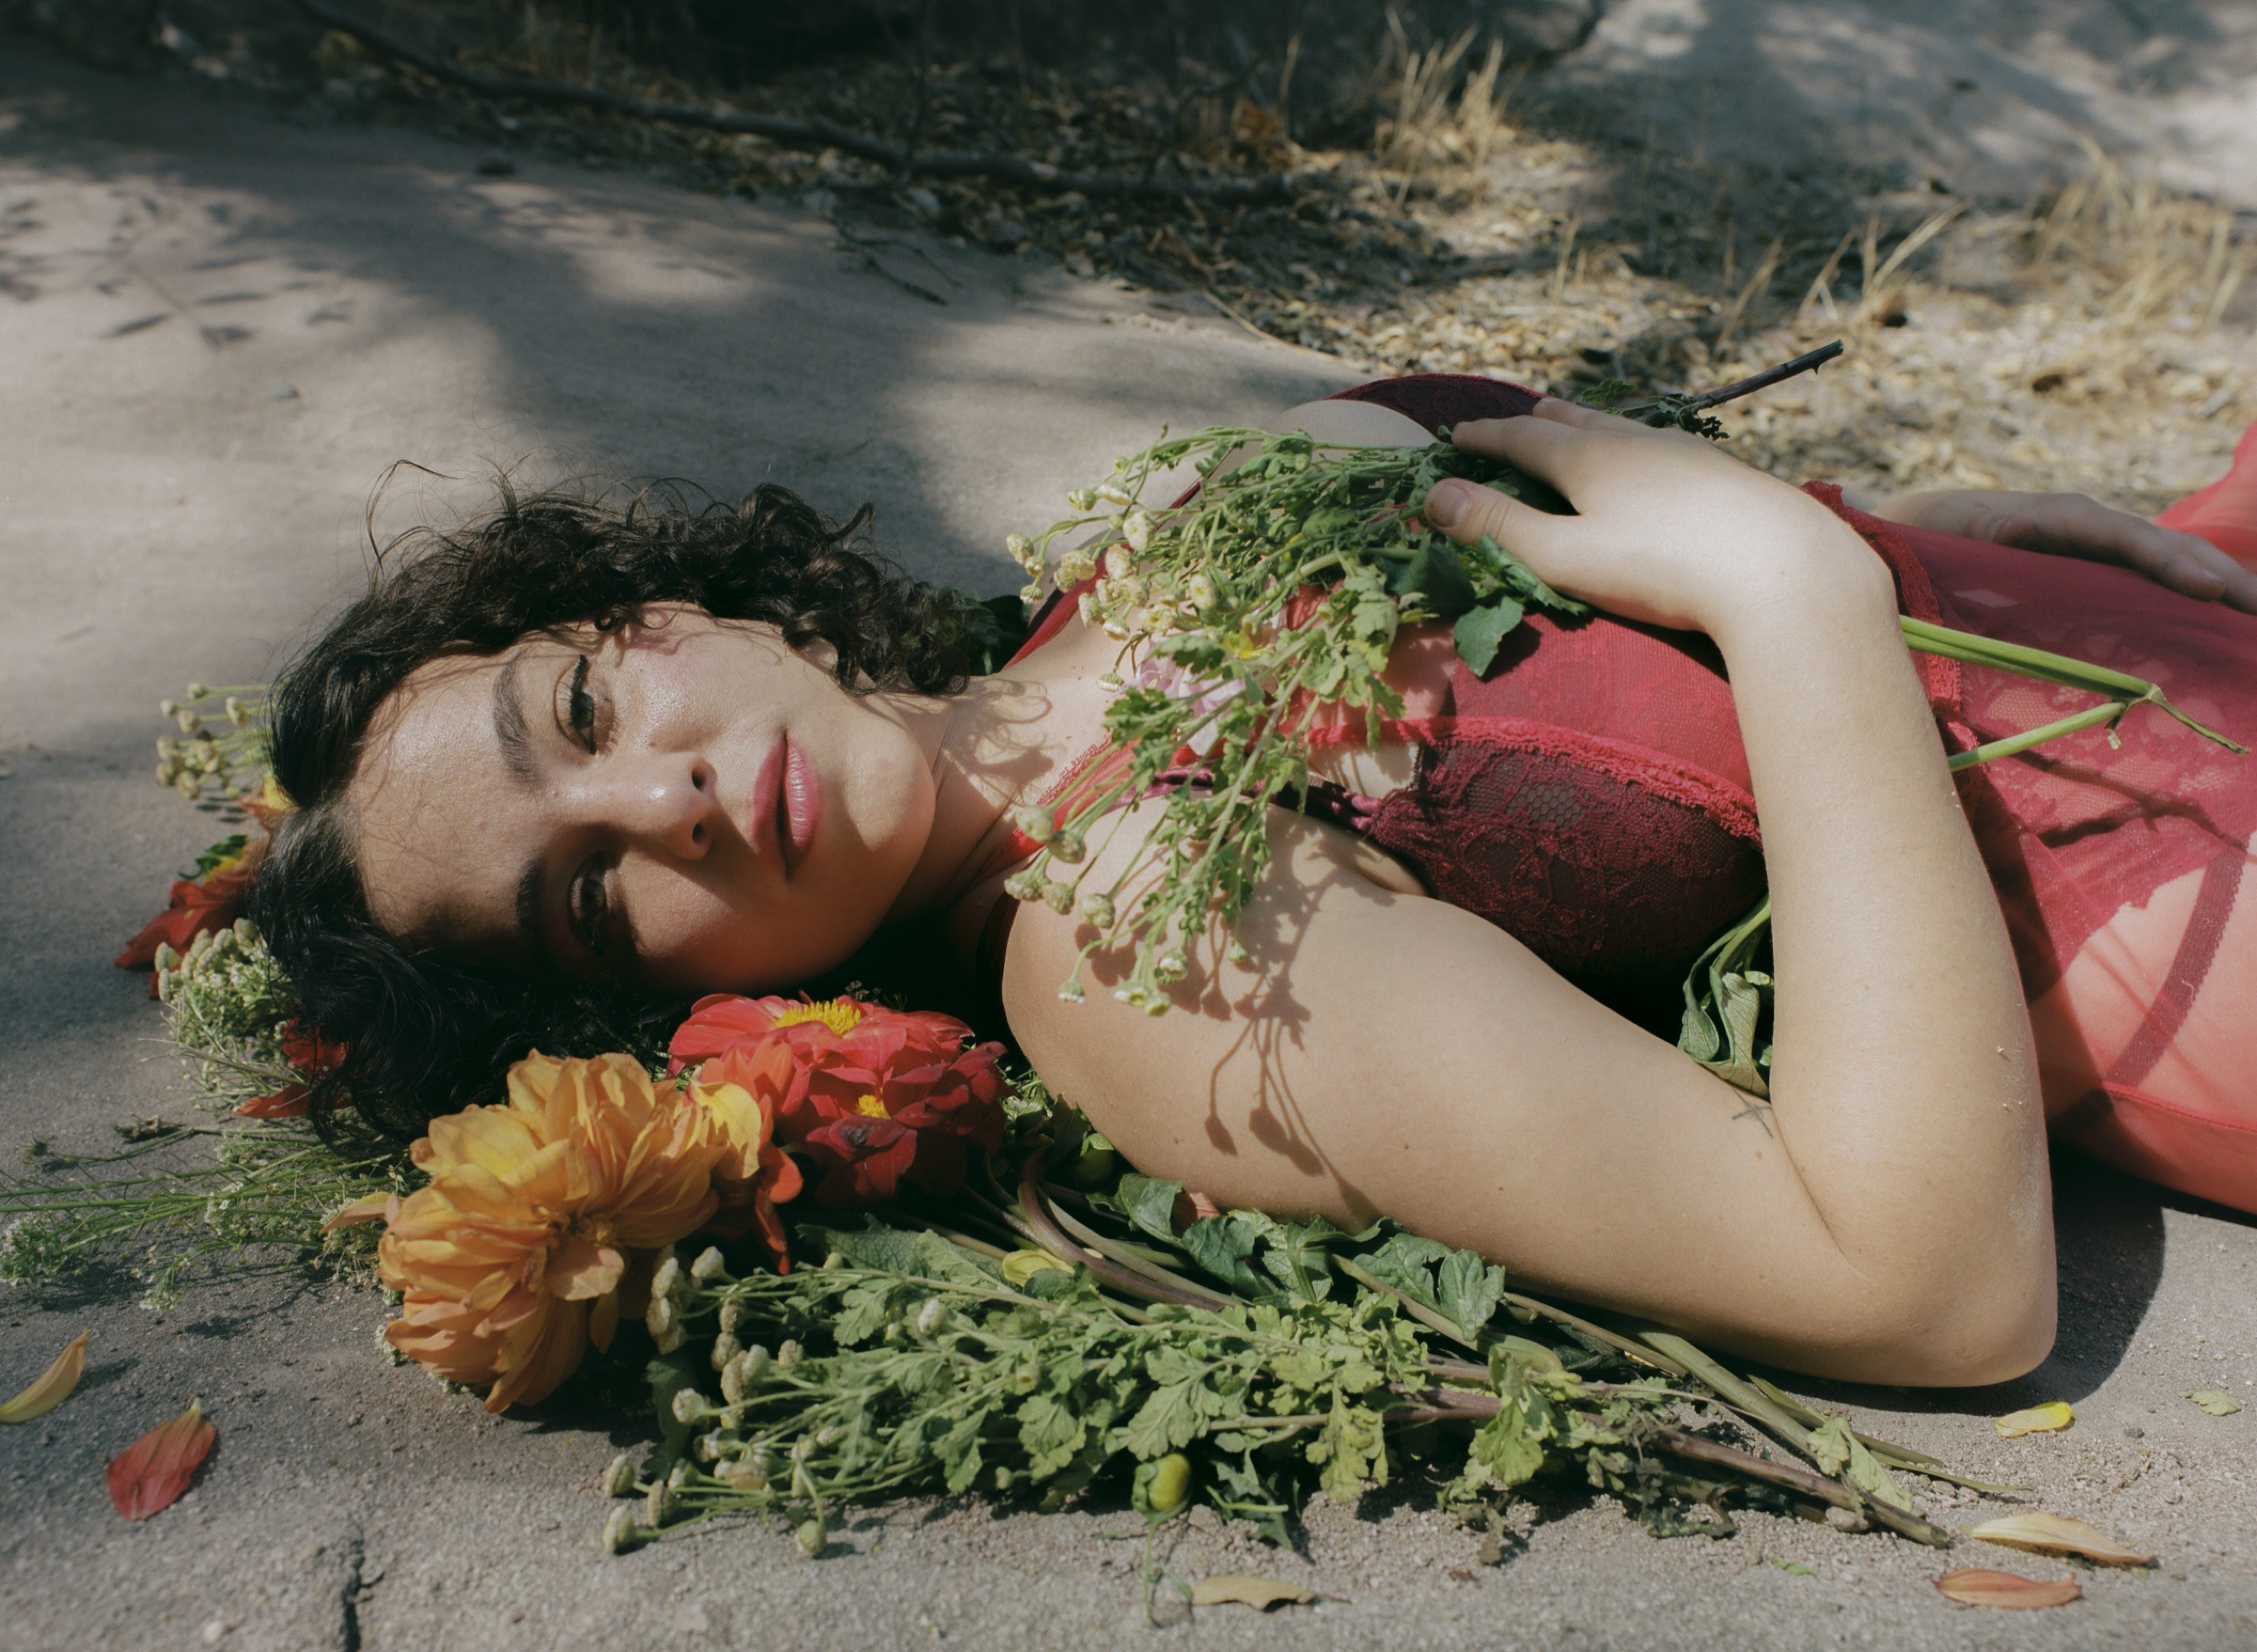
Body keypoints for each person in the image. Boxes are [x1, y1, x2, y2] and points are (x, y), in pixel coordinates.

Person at [251, 375, 2257, 1387]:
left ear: (656, 608)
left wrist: (1912, 544)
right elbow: (1915, 1281)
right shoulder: (1132, 948)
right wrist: (1803, 592)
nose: (667, 799)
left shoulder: (1095, 588)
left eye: (582, 707)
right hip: (2179, 892)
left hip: (2141, 652)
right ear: (648, 1008)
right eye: (594, 895)